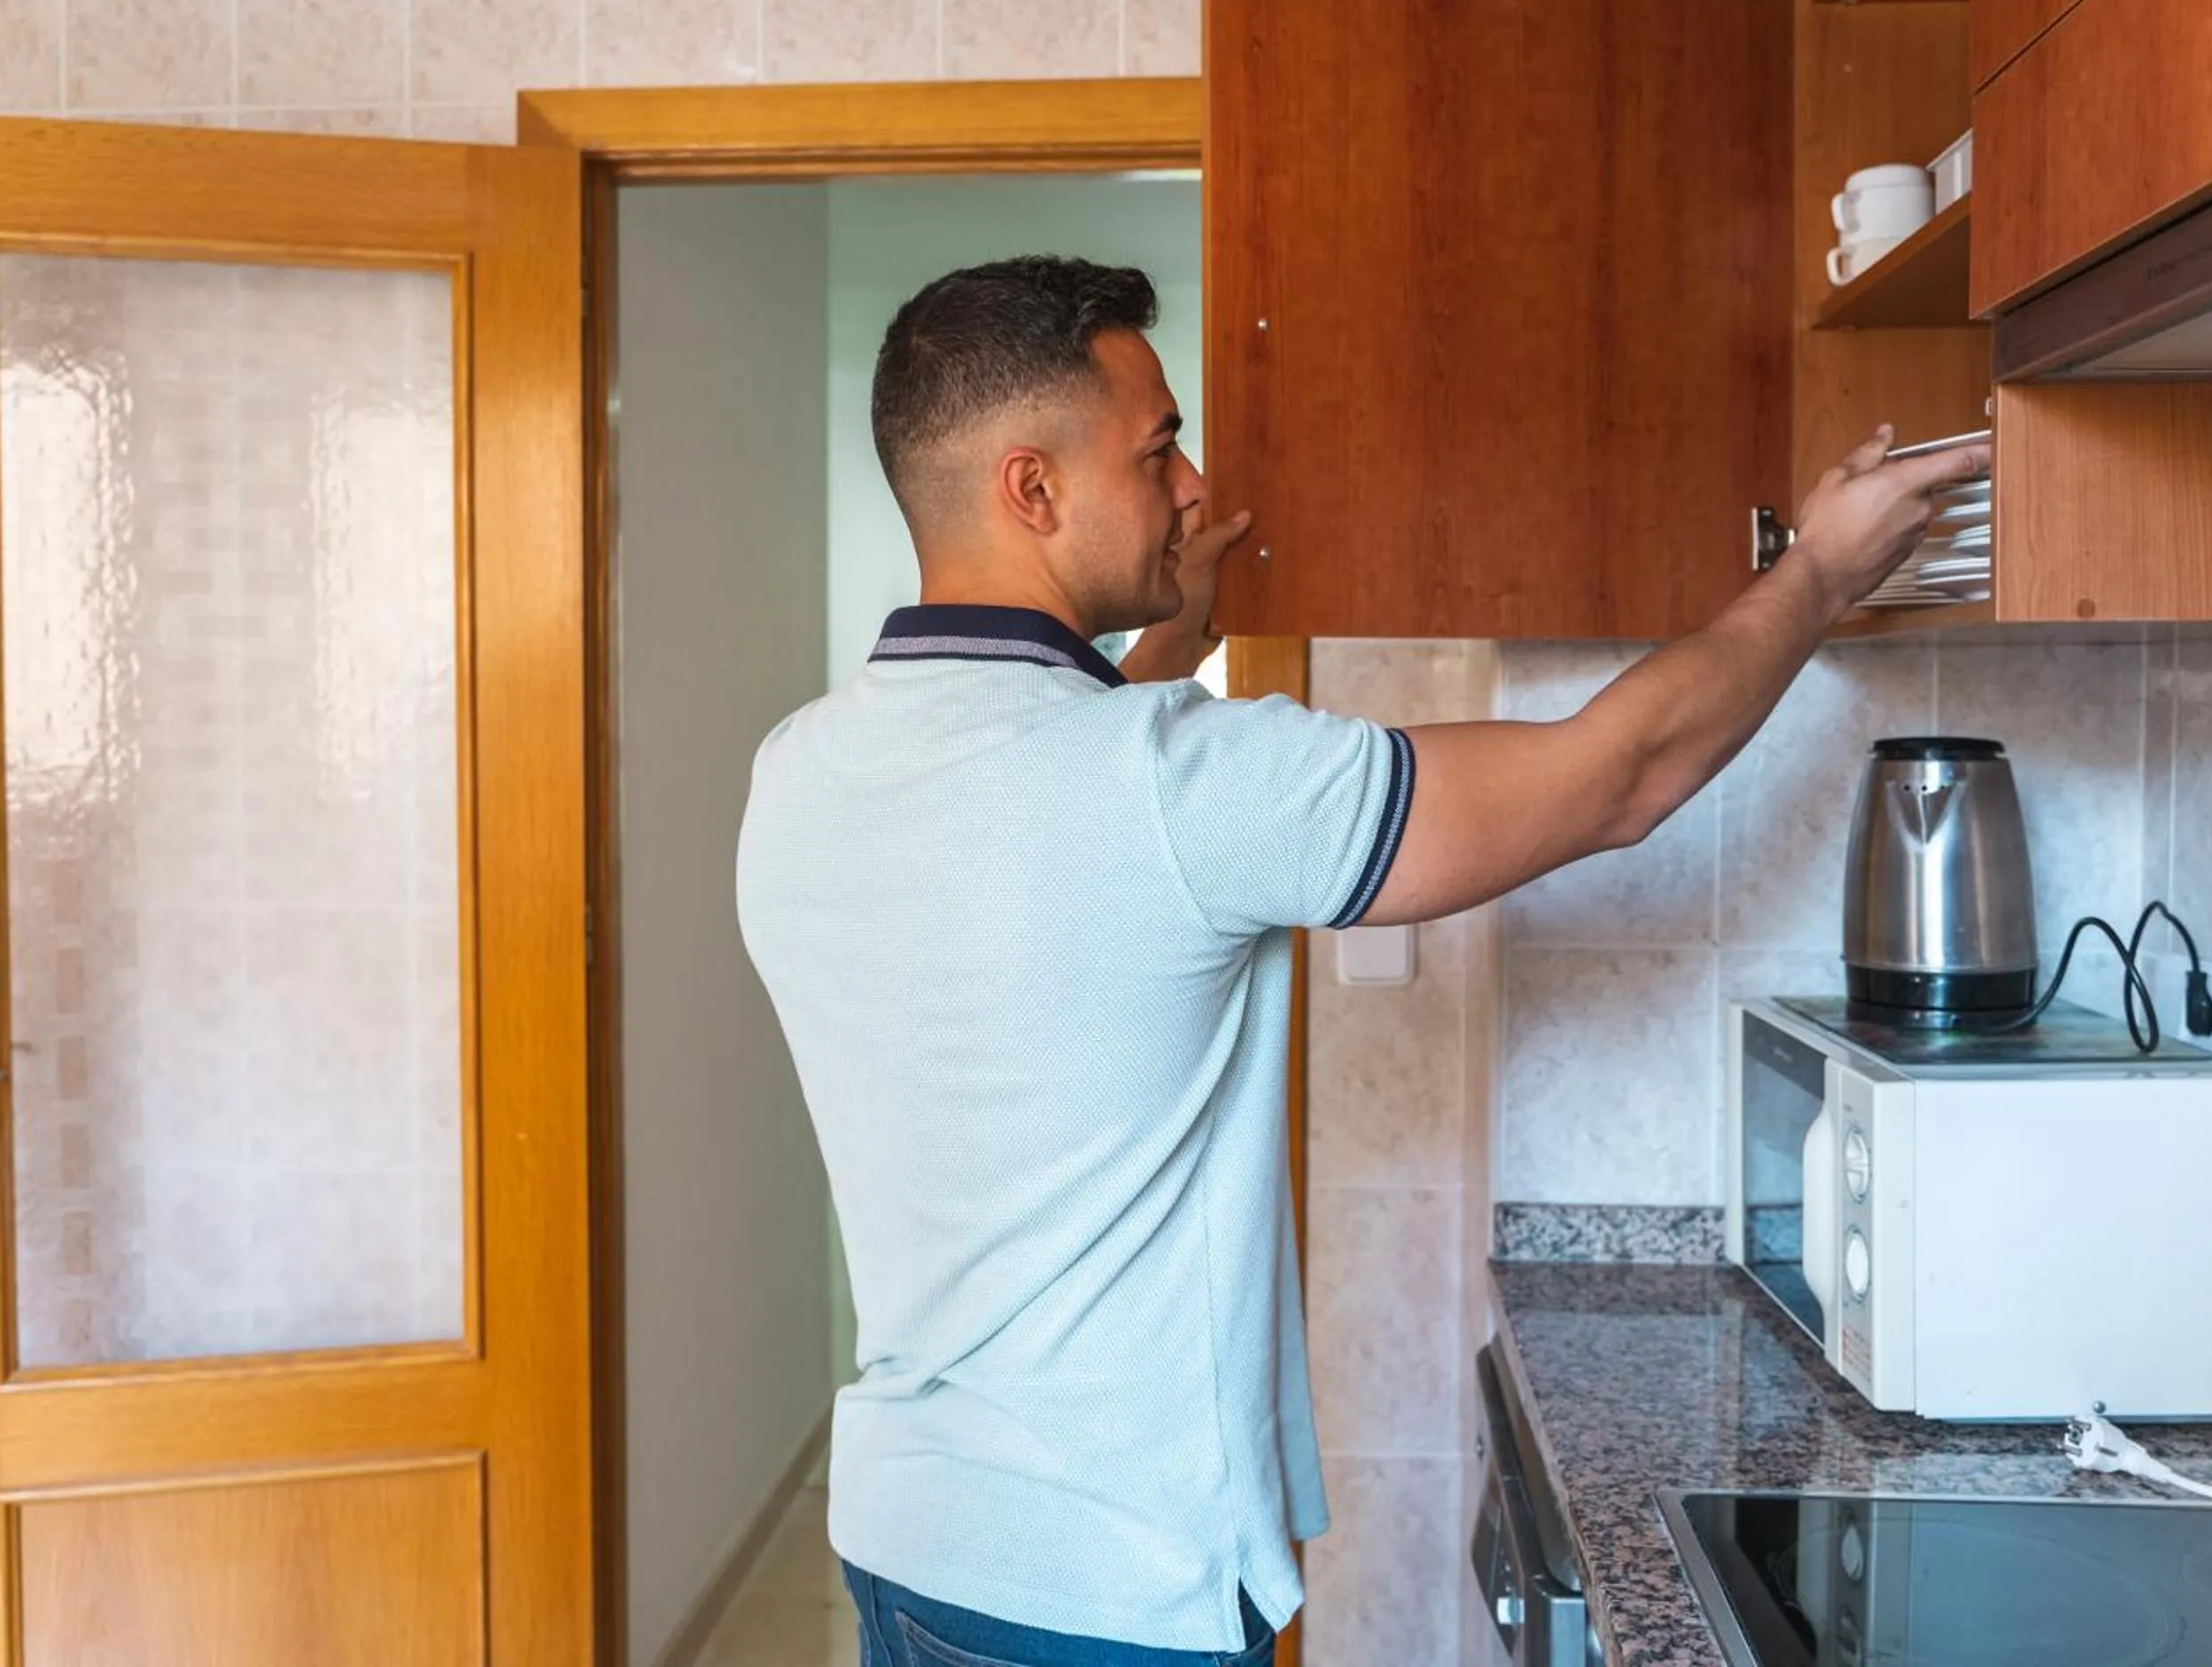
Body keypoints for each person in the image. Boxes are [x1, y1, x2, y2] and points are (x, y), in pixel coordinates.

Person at [735, 256, 1988, 1667]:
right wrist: (1817, 569)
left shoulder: (801, 772)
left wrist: (1168, 644)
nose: (1197, 485)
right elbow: (1614, 779)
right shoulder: (1177, 787)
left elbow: (1043, 836)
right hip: (1110, 1592)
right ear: (1035, 489)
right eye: (1158, 451)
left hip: (913, 1550)